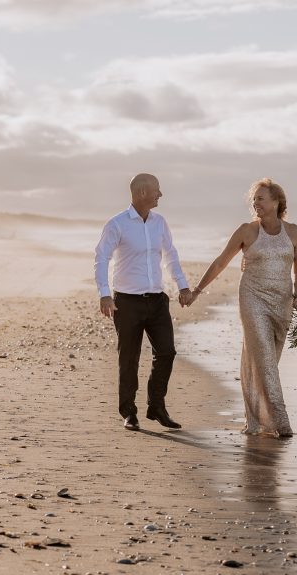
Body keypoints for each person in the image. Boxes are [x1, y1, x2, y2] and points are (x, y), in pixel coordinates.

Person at [190, 178, 297, 437]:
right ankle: (280, 421)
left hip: (282, 301)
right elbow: (221, 262)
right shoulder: (246, 231)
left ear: (277, 201)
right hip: (253, 298)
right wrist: (197, 290)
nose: (256, 203)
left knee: (266, 361)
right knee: (264, 357)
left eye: (261, 198)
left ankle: (255, 419)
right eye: (254, 199)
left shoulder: (294, 231)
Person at [94, 173, 194, 431]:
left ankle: (156, 407)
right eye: (156, 190)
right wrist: (104, 293)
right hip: (126, 302)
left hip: (157, 299)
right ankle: (128, 412)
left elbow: (170, 256)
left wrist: (182, 285)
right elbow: (102, 257)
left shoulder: (160, 223)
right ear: (141, 192)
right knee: (129, 358)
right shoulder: (117, 224)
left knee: (167, 352)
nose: (160, 194)